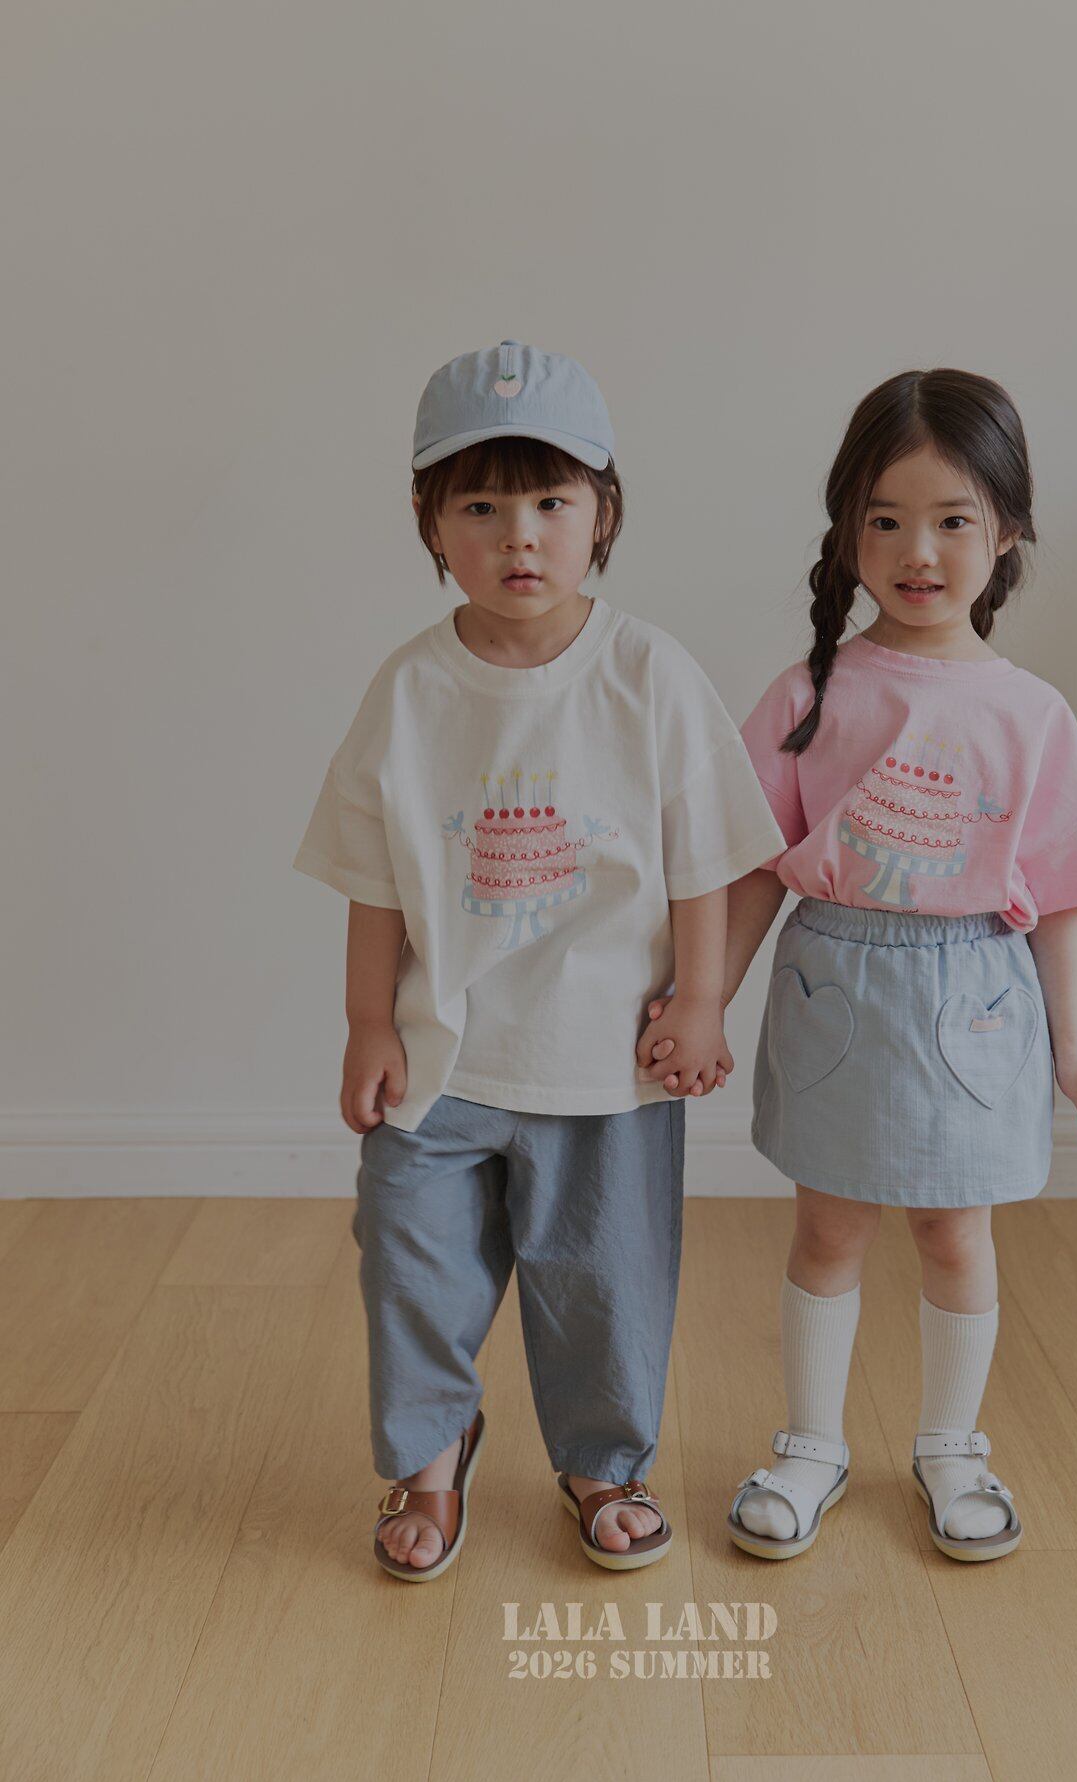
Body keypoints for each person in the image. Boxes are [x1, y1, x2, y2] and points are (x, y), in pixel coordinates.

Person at [293, 340, 784, 1579]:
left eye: (552, 502)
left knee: (606, 1278)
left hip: (606, 1057)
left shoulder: (647, 674)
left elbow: (705, 858)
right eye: (480, 506)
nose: (519, 535)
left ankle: (601, 1462)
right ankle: (430, 1452)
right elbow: (373, 877)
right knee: (407, 1257)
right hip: (444, 1056)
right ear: (429, 523)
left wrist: (702, 1000)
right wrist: (367, 1024)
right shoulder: (410, 690)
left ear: (601, 512)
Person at [638, 368, 1077, 1562]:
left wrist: (1072, 1047)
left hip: (975, 1003)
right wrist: (701, 999)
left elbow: (1060, 891)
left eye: (952, 520)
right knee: (826, 1230)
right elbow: (750, 866)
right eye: (886, 519)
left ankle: (950, 1449)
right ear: (847, 529)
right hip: (836, 994)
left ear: (1004, 532)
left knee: (954, 1233)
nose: (917, 551)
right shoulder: (808, 695)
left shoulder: (1032, 714)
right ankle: (810, 1446)